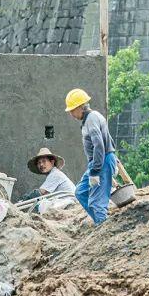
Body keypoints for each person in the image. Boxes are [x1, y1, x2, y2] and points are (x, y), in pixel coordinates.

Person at [65, 88, 117, 225]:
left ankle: (103, 228)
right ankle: (100, 223)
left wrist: (95, 171)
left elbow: (99, 145)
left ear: (80, 107)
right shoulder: (91, 118)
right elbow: (108, 140)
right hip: (98, 162)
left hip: (101, 162)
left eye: (72, 110)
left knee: (96, 203)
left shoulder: (92, 119)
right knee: (80, 192)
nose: (71, 114)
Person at [24, 147, 77, 213]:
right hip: (66, 202)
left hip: (69, 203)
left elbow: (40, 193)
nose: (41, 165)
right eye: (39, 163)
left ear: (52, 162)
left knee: (40, 201)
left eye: (44, 161)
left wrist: (25, 200)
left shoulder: (55, 174)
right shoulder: (53, 174)